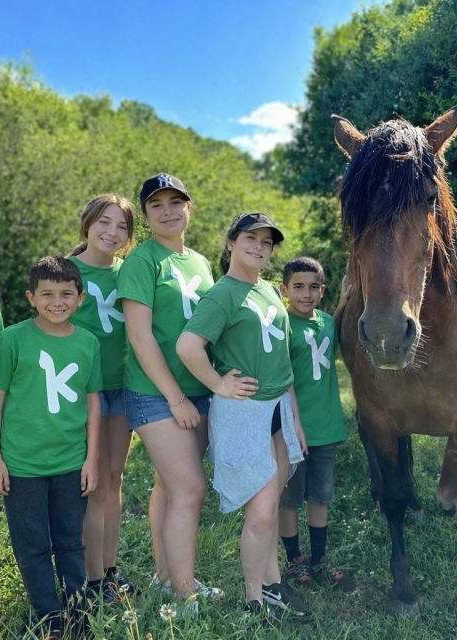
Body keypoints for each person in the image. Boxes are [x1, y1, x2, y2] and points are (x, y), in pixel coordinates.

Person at [176, 212, 309, 623]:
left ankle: (271, 588)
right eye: (251, 238)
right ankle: (254, 602)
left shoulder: (270, 292)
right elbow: (187, 345)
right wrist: (218, 384)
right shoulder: (223, 294)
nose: (259, 247)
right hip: (244, 413)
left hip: (278, 409)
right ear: (231, 242)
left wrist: (296, 420)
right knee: (263, 511)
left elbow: (283, 361)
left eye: (267, 242)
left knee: (272, 504)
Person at [0, 256, 102, 639]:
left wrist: (91, 458)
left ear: (80, 298)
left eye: (66, 294)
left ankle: (77, 612)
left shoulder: (88, 343)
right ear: (31, 297)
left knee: (70, 542)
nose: (57, 301)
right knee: (32, 546)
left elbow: (93, 401)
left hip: (70, 462)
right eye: (47, 294)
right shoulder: (13, 339)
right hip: (22, 464)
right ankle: (49, 617)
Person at [117, 174, 222, 612]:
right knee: (190, 489)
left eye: (175, 202)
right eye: (156, 205)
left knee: (168, 485)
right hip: (156, 394)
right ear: (145, 216)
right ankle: (184, 595)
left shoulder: (199, 262)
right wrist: (175, 398)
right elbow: (140, 337)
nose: (167, 211)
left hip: (198, 390)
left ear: (189, 208)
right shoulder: (142, 261)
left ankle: (166, 577)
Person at [66, 195, 139, 603]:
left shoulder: (130, 274)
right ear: (88, 224)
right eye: (104, 223)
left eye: (122, 226)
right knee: (89, 484)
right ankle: (89, 579)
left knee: (113, 480)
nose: (112, 233)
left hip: (122, 388)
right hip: (81, 392)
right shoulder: (66, 271)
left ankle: (109, 572)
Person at [277, 257, 356, 592]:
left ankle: (320, 560)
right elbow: (283, 377)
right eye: (298, 287)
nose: (306, 294)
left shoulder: (326, 322)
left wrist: (345, 301)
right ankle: (295, 560)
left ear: (322, 291)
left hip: (327, 426)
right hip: (293, 429)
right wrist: (294, 424)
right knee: (290, 498)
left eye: (313, 288)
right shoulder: (280, 324)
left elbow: (339, 336)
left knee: (321, 496)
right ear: (284, 290)